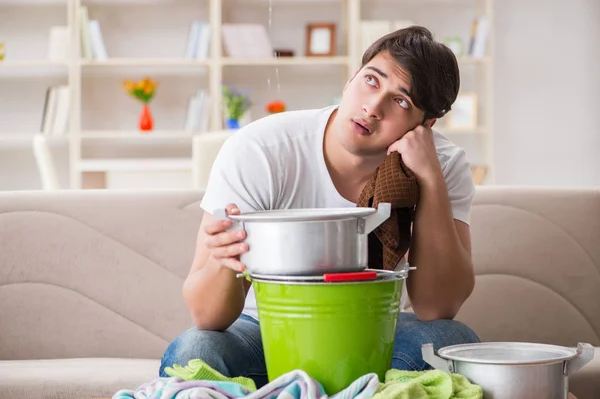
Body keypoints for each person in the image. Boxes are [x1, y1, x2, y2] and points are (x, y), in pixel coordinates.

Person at [159, 26, 480, 386]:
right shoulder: (260, 149)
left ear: (425, 125)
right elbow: (206, 316)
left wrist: (430, 181)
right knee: (193, 350)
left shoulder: (443, 163)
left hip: (375, 330)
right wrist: (223, 259)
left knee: (449, 342)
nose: (372, 107)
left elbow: (438, 308)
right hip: (263, 331)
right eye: (371, 81)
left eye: (401, 101)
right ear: (350, 81)